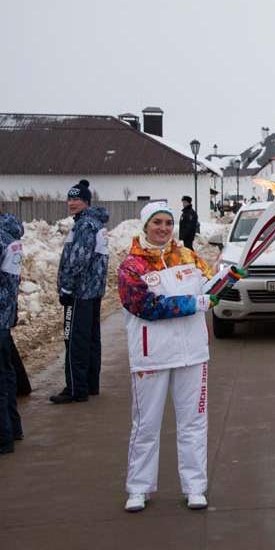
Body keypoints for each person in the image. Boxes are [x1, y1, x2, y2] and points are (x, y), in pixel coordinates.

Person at [117, 202, 217, 513]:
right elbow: (144, 306)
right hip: (151, 357)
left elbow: (211, 290)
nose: (163, 228)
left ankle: (195, 487)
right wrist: (194, 303)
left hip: (192, 354)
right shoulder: (132, 266)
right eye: (157, 222)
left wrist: (230, 278)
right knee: (146, 425)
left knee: (194, 423)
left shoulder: (189, 257)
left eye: (168, 223)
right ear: (145, 225)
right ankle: (138, 488)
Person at [51, 180, 109, 404]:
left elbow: (78, 259)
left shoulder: (85, 225)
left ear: (86, 201)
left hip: (79, 292)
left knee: (75, 341)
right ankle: (90, 384)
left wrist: (67, 287)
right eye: (69, 198)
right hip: (93, 292)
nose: (71, 203)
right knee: (91, 339)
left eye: (76, 199)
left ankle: (75, 389)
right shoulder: (96, 223)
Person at [0, 213, 24, 454]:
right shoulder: (9, 238)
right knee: (6, 375)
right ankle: (12, 429)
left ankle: (4, 437)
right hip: (5, 316)